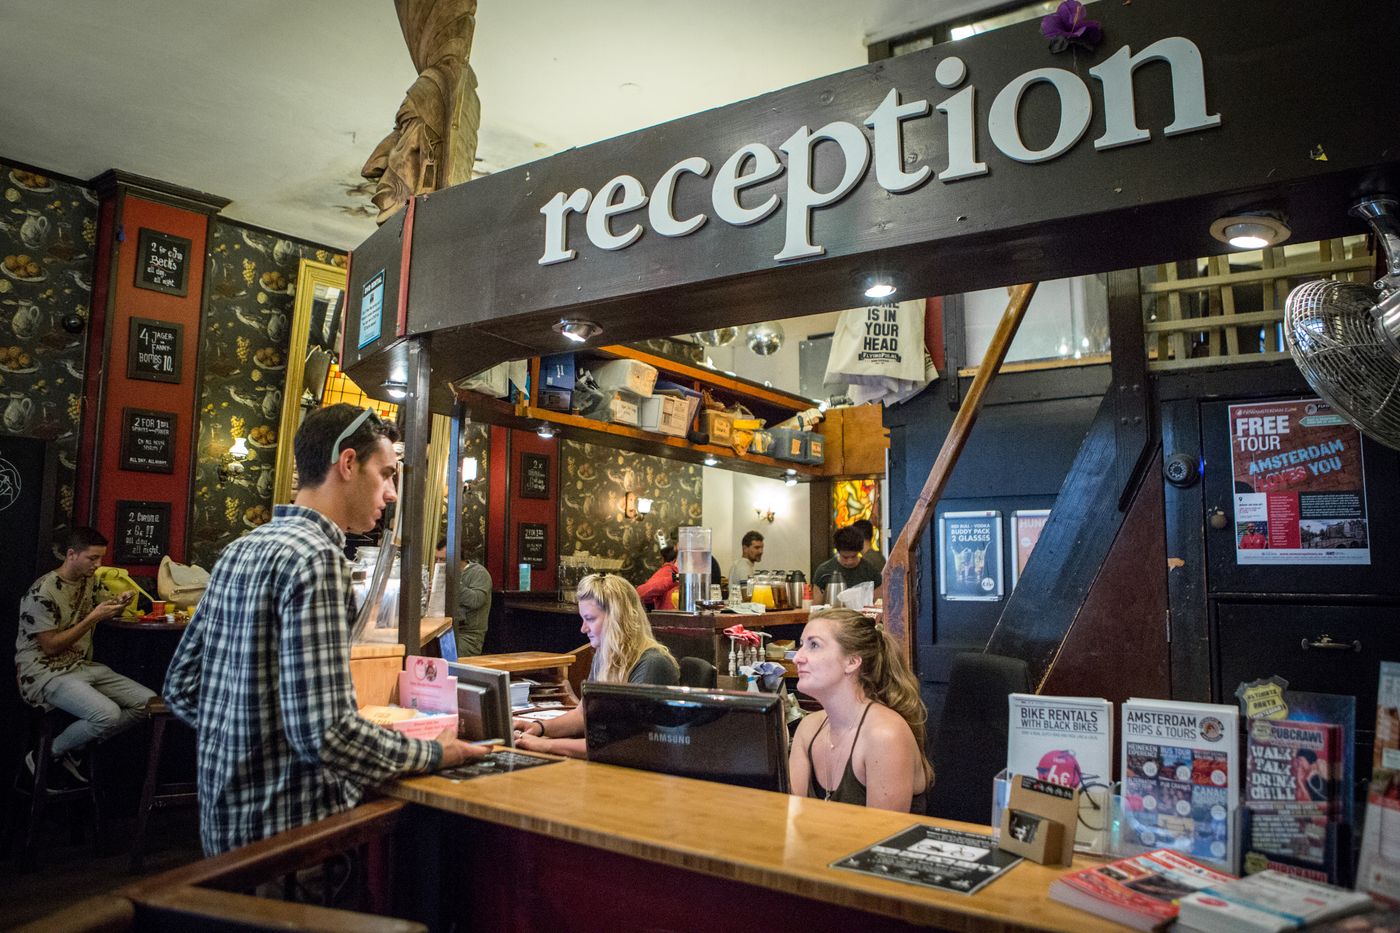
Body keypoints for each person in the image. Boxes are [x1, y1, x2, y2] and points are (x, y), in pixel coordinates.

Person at [165, 404, 486, 856]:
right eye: (387, 473)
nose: (391, 493)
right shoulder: (317, 559)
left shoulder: (242, 548)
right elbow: (326, 733)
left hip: (225, 830)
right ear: (348, 463)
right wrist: (435, 753)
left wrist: (250, 737)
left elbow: (182, 686)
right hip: (293, 836)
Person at [14, 527, 153, 787]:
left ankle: (74, 747)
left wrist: (117, 603)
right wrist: (93, 618)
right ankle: (45, 756)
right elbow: (51, 647)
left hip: (78, 666)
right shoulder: (42, 592)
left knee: (148, 704)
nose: (98, 564)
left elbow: (99, 606)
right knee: (108, 714)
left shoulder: (89, 580)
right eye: (93, 558)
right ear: (71, 555)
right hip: (42, 672)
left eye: (100, 558)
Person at [513, 573, 678, 758]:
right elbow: (583, 713)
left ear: (617, 618)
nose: (583, 628)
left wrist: (546, 746)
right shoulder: (605, 654)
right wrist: (539, 727)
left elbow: (626, 743)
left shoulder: (652, 663)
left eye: (590, 619)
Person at [788, 608, 933, 813]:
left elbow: (882, 838)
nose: (797, 658)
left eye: (814, 645)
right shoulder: (808, 728)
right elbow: (789, 818)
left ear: (852, 662)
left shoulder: (885, 735)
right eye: (802, 645)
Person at [436, 538, 492, 658]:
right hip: (446, 631)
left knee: (435, 653)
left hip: (468, 637)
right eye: (437, 559)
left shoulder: (479, 573)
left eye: (443, 560)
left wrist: (452, 583)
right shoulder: (447, 574)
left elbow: (475, 600)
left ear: (456, 558)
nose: (438, 563)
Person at [813, 526, 883, 603]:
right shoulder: (824, 570)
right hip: (832, 614)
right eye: (845, 557)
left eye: (854, 556)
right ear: (838, 552)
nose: (850, 561)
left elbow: (878, 604)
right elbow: (816, 607)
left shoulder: (871, 571)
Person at [637, 545, 679, 610]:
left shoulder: (694, 576)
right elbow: (641, 593)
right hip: (669, 619)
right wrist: (675, 578)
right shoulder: (667, 571)